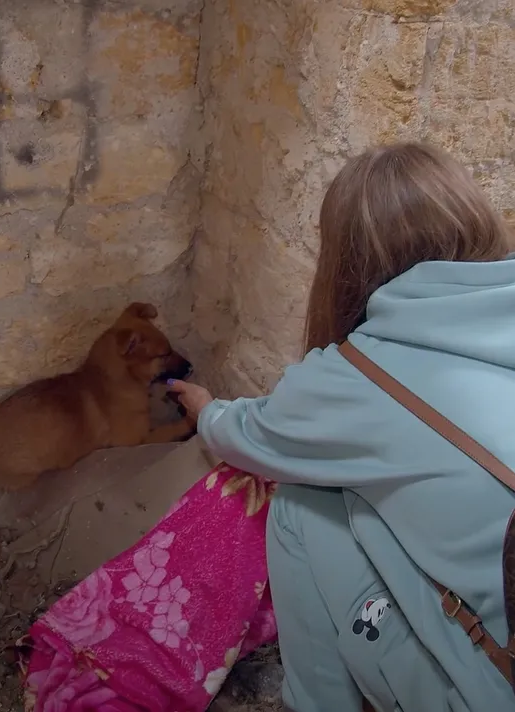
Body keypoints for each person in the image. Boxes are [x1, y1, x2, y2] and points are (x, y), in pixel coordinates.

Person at [169, 142, 515, 711]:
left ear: (348, 260)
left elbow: (255, 436)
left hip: (494, 688)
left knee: (304, 504)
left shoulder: (360, 373)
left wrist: (208, 412)